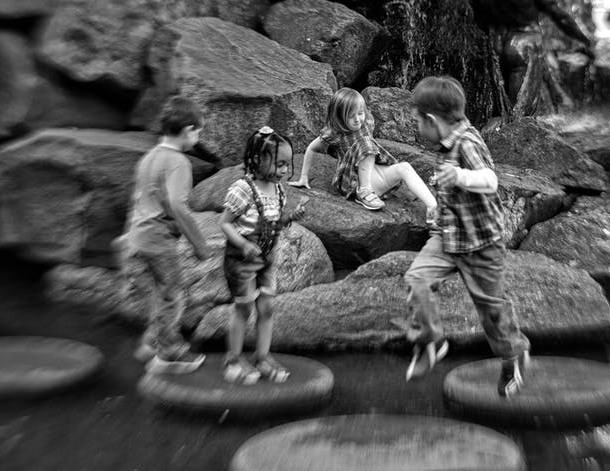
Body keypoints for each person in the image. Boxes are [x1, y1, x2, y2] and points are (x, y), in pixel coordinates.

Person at [405, 76, 531, 397]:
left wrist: (460, 176)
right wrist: (438, 208)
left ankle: (512, 354)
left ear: (432, 120)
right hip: (449, 237)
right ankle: (430, 341)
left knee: (491, 309)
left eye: (418, 120)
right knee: (417, 279)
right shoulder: (444, 144)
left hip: (481, 244)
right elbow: (455, 192)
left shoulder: (468, 142)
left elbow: (490, 181)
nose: (417, 126)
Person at [117, 95, 210, 375]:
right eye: (199, 132)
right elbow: (177, 205)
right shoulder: (178, 162)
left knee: (159, 295)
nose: (199, 137)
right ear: (187, 131)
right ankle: (169, 354)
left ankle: (150, 343)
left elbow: (137, 200)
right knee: (173, 296)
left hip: (137, 238)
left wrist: (125, 240)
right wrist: (199, 243)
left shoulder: (149, 158)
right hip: (159, 241)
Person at [219, 126, 306, 385]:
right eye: (279, 164)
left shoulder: (278, 190)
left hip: (268, 258)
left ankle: (262, 357)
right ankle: (232, 360)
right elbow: (225, 223)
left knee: (266, 307)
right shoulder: (242, 189)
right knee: (244, 308)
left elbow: (275, 223)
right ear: (257, 159)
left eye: (287, 165)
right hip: (243, 260)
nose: (283, 170)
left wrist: (291, 217)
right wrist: (242, 245)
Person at [289, 87, 437, 223]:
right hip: (353, 183)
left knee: (404, 167)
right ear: (339, 118)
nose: (358, 119)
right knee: (365, 143)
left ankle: (433, 206)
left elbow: (370, 148)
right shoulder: (334, 134)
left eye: (360, 113)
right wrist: (303, 177)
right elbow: (310, 149)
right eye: (351, 116)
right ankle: (364, 192)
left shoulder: (367, 122)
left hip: (376, 179)